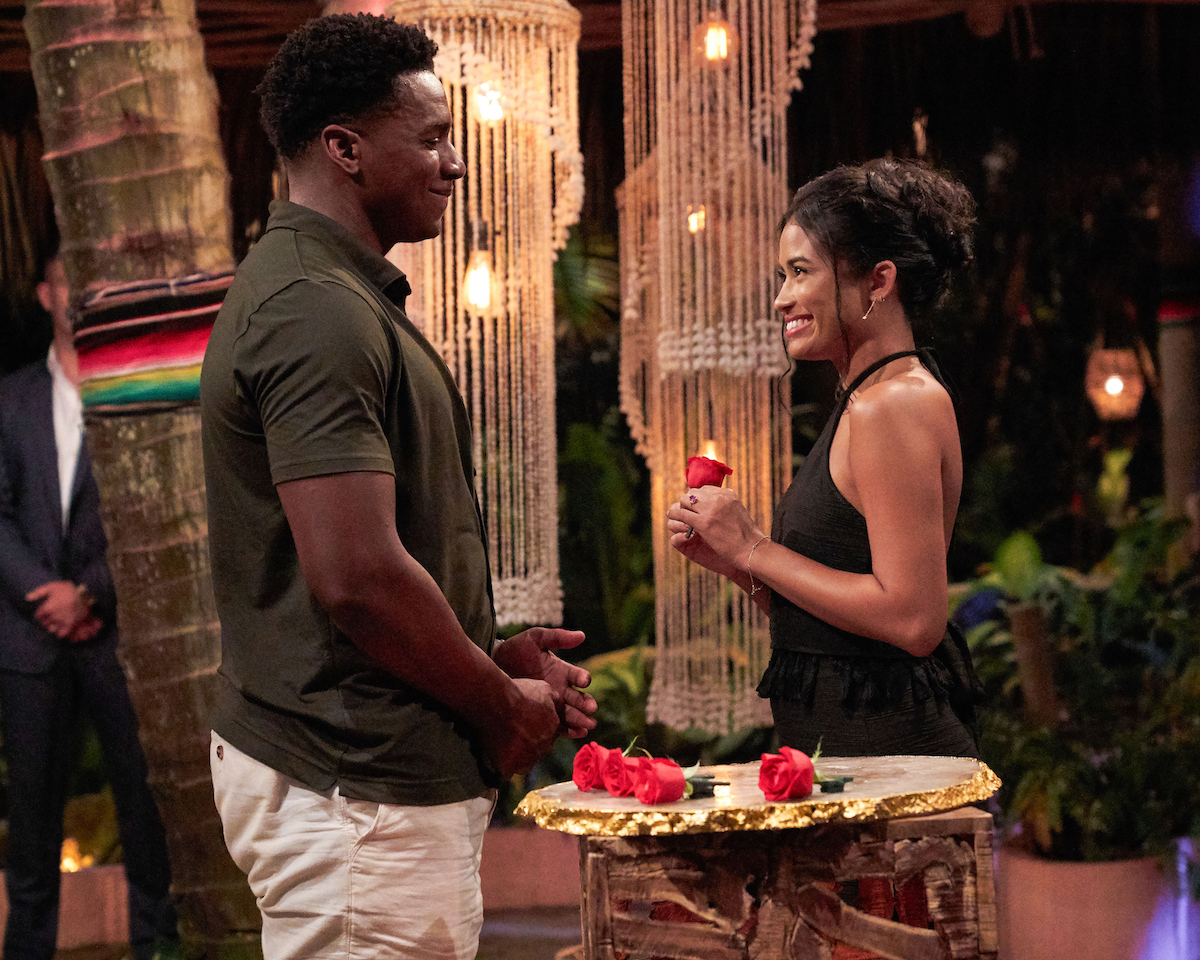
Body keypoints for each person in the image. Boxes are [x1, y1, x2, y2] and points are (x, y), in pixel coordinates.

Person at [199, 14, 597, 960]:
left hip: (364, 782)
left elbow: (353, 573)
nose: (454, 163)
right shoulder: (314, 308)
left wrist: (483, 653)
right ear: (344, 148)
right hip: (353, 788)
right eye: (431, 138)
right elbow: (358, 579)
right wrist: (501, 708)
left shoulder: (333, 293)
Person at [667, 158, 982, 757]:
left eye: (800, 272)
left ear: (879, 282)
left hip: (894, 767)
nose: (781, 299)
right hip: (848, 759)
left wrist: (754, 548)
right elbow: (834, 633)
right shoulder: (866, 400)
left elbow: (913, 621)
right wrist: (738, 563)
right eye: (781, 276)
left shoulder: (893, 404)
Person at [0, 249, 180, 960]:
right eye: (65, 281)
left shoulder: (136, 394)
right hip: (29, 642)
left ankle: (153, 950)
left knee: (145, 818)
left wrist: (88, 593)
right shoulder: (9, 398)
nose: (77, 295)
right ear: (46, 294)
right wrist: (43, 594)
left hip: (118, 638)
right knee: (32, 831)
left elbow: (154, 513)